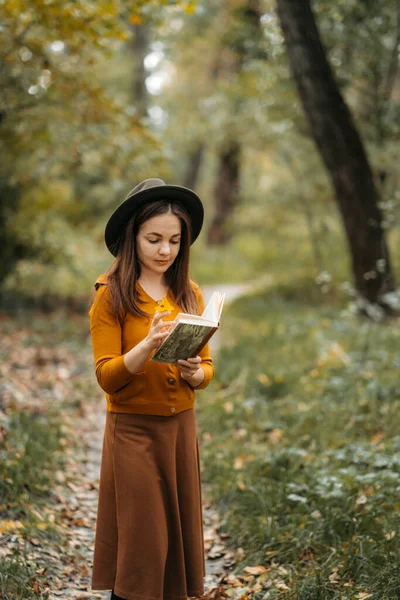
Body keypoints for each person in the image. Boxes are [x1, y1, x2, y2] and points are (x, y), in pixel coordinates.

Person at [88, 178, 215, 600]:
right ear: (132, 237)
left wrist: (195, 372)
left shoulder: (188, 292)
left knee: (174, 546)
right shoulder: (111, 296)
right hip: (133, 432)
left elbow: (207, 369)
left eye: (175, 240)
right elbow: (107, 375)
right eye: (154, 239)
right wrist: (145, 346)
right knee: (144, 542)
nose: (165, 250)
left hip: (180, 431)